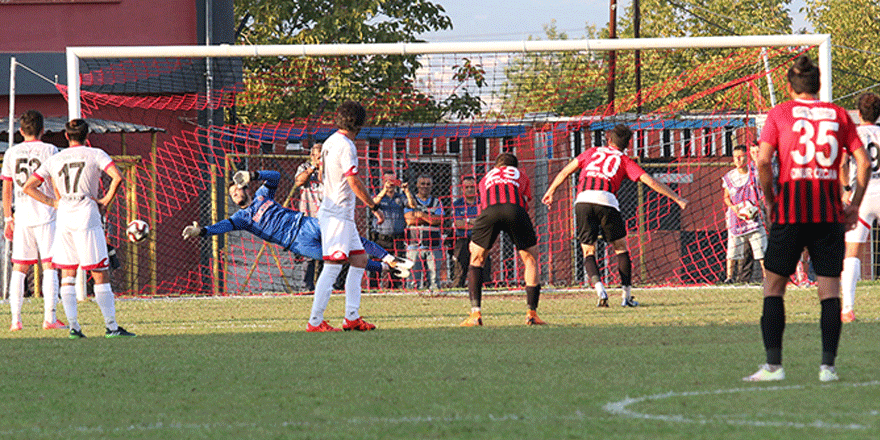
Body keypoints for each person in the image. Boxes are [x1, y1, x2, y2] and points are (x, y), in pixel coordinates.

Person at [744, 55, 870, 383]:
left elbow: (763, 162)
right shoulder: (839, 114)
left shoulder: (780, 113)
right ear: (819, 86)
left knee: (773, 286)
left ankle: (774, 366)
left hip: (790, 211)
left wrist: (770, 201)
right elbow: (864, 163)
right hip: (828, 214)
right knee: (829, 291)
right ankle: (827, 367)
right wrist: (853, 204)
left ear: (789, 87)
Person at [542, 124, 688, 307]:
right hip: (607, 201)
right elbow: (649, 180)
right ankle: (626, 297)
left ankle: (599, 289)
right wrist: (676, 198)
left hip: (583, 200)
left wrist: (550, 191)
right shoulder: (625, 160)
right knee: (620, 248)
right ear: (628, 144)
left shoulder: (591, 152)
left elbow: (565, 171)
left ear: (609, 140)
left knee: (588, 250)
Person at [181, 169, 410, 279]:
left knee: (348, 237)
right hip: (296, 243)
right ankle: (387, 268)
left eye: (236, 189)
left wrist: (253, 174)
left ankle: (390, 257)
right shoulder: (242, 218)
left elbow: (276, 177)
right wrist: (200, 231)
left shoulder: (262, 195)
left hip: (305, 223)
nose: (235, 194)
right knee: (341, 259)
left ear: (245, 188)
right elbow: (222, 226)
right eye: (231, 194)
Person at [22, 119, 135, 338]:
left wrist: (53, 202)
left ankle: (74, 327)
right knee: (100, 273)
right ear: (87, 135)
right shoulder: (95, 154)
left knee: (67, 273)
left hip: (64, 214)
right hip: (86, 213)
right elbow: (117, 177)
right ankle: (111, 327)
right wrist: (105, 200)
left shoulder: (56, 159)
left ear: (66, 136)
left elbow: (29, 186)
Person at [308, 100, 384, 332]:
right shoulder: (347, 146)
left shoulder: (330, 141)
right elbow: (352, 180)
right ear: (359, 123)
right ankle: (315, 321)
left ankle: (351, 316)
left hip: (339, 213)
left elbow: (323, 175)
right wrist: (373, 206)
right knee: (333, 265)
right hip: (337, 214)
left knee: (359, 260)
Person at [460, 153, 545, 326]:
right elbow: (525, 200)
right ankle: (532, 313)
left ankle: (475, 314)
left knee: (476, 259)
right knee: (530, 259)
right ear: (515, 166)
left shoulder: (486, 178)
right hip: (515, 210)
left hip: (489, 211)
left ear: (496, 166)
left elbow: (483, 202)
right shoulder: (520, 174)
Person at [1, 110, 66, 331]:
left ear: (20, 131)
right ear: (43, 130)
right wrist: (58, 204)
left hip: (21, 216)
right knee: (49, 266)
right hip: (46, 213)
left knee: (19, 267)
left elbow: (7, 188)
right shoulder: (51, 150)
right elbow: (57, 182)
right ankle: (49, 318)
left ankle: (15, 321)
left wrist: (8, 218)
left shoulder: (11, 153)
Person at [839, 92, 880, 323]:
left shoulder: (853, 134)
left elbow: (844, 162)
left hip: (862, 194)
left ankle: (848, 308)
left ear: (859, 112)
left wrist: (846, 188)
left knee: (852, 252)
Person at [721, 144, 766, 284]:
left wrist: (758, 206)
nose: (738, 160)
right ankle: (729, 277)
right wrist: (735, 209)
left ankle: (767, 277)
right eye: (736, 157)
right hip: (736, 218)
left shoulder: (755, 172)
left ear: (746, 157)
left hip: (754, 217)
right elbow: (726, 198)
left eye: (741, 156)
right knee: (733, 250)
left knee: (761, 249)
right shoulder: (729, 177)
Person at [404, 174, 444, 292]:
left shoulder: (437, 202)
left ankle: (435, 297)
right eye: (422, 184)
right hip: (414, 245)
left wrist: (420, 215)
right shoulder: (410, 201)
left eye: (428, 184)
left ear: (432, 186)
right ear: (417, 185)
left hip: (434, 245)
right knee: (413, 278)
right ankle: (412, 297)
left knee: (434, 278)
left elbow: (439, 220)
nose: (425, 186)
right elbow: (410, 220)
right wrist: (430, 217)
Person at [369, 170, 408, 289]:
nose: (390, 183)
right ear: (383, 181)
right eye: (387, 181)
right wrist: (385, 190)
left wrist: (406, 190)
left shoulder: (400, 197)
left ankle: (395, 288)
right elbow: (373, 203)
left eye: (392, 180)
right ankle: (374, 288)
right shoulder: (377, 195)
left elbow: (412, 205)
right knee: (376, 265)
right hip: (380, 237)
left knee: (396, 265)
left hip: (397, 238)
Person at [294, 144, 323, 291]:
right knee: (309, 256)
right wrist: (313, 167)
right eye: (318, 157)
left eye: (322, 157)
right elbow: (299, 181)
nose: (320, 160)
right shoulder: (304, 167)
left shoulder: (330, 169)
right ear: (312, 156)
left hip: (327, 219)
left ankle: (326, 287)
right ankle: (307, 288)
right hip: (308, 219)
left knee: (329, 255)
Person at [450, 176, 489, 288]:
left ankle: (487, 290)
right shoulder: (457, 204)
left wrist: (466, 221)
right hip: (462, 240)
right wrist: (475, 221)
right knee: (460, 270)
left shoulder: (483, 203)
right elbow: (459, 224)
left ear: (476, 188)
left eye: (472, 187)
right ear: (462, 189)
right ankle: (457, 290)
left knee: (484, 267)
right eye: (467, 187)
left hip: (480, 239)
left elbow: (485, 223)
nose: (470, 189)